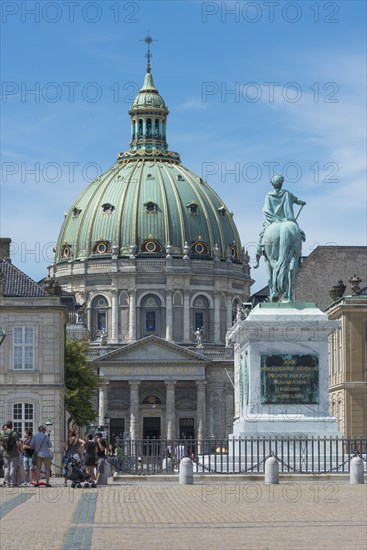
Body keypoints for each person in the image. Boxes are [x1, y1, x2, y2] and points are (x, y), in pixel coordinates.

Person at [254, 174, 306, 268]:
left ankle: (257, 258)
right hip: (287, 219)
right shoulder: (287, 193)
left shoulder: (269, 196)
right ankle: (298, 258)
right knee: (298, 233)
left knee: (262, 236)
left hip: (271, 220)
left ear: (273, 184)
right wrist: (302, 202)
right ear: (281, 183)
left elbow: (266, 210)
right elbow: (296, 200)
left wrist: (272, 218)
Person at [0, 421, 21, 487]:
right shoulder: (14, 433)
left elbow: (0, 444)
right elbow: (18, 444)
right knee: (12, 468)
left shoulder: (2, 433)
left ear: (6, 426)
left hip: (5, 454)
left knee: (6, 468)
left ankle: (7, 483)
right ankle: (12, 483)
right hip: (14, 454)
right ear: (12, 426)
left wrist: (5, 447)